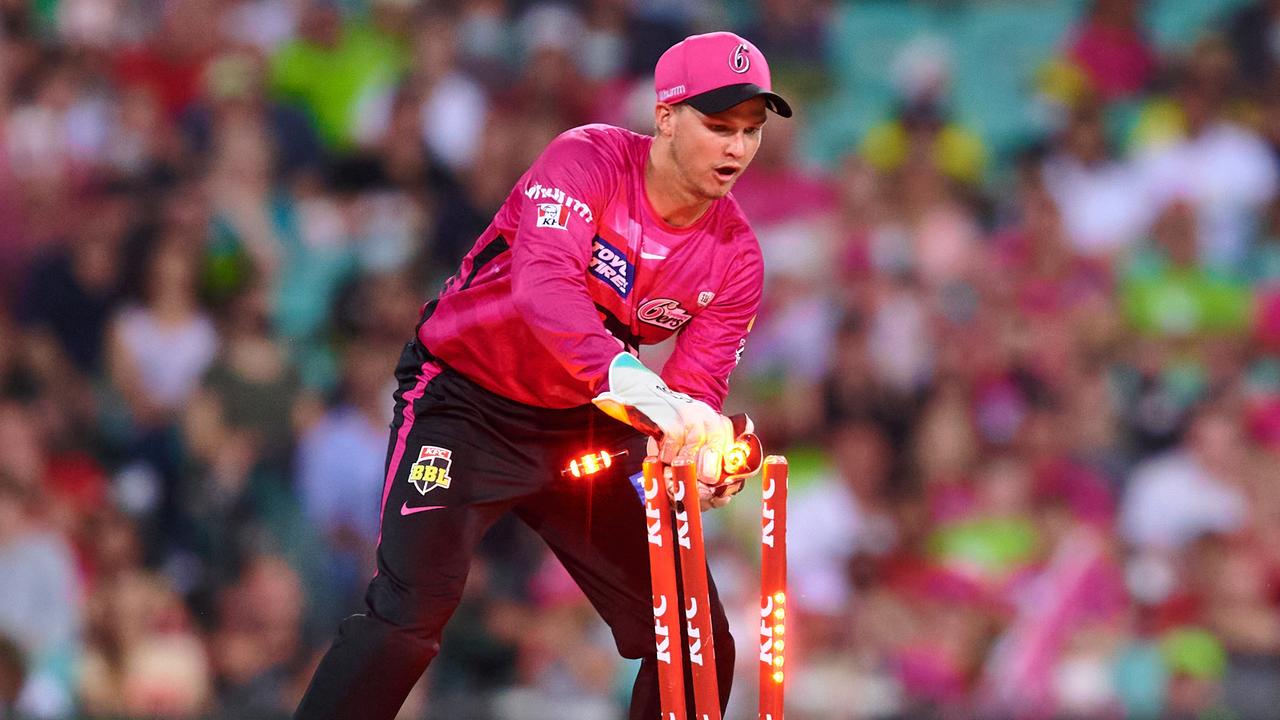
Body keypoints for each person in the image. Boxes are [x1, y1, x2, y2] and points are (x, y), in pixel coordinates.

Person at [292, 31, 791, 720]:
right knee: (409, 617)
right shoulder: (586, 158)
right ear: (667, 117)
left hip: (587, 425)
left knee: (695, 637)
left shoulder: (736, 259)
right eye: (718, 126)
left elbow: (690, 399)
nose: (736, 148)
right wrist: (639, 388)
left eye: (750, 131)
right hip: (464, 401)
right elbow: (542, 289)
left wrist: (696, 463)